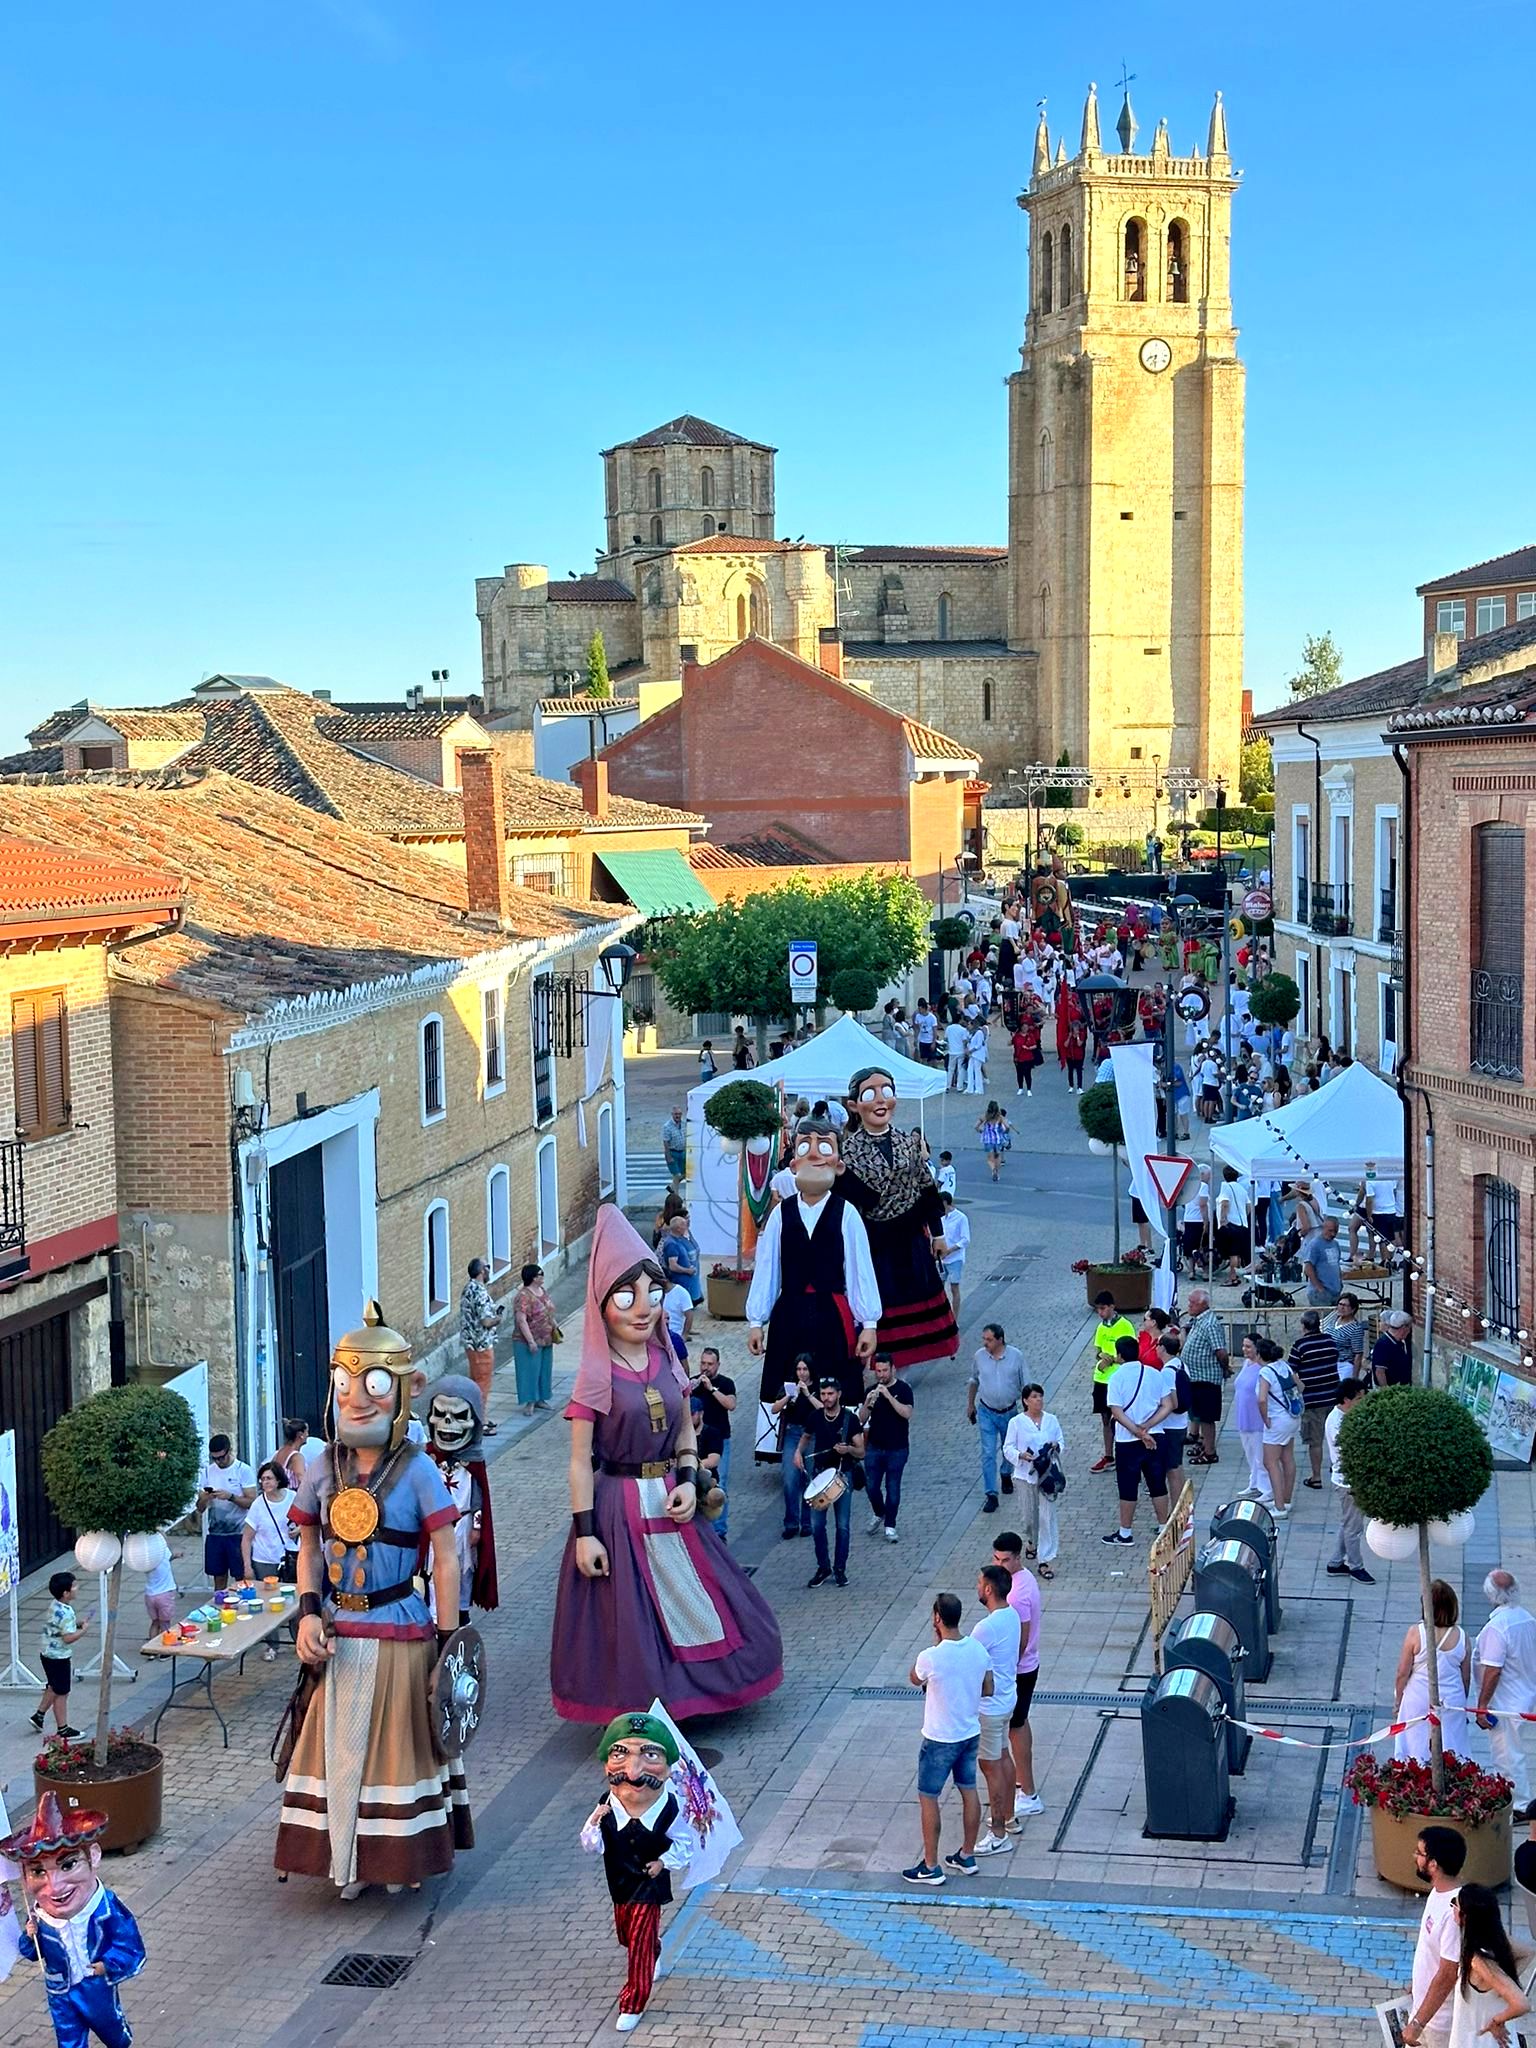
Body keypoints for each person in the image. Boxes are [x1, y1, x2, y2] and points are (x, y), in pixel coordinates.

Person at [551, 1206, 782, 1721]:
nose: (642, 1309)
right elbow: (577, 1463)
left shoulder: (663, 1360)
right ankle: (648, 1705)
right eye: (626, 1296)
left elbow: (683, 1427)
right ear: (602, 1301)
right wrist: (585, 1532)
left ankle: (704, 1690)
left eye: (651, 1295)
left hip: (670, 1503)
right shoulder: (596, 1375)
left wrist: (686, 1476)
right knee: (633, 1614)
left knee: (698, 1592)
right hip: (617, 1509)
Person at [274, 1302, 473, 1895]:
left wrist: (448, 1638)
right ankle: (344, 1856)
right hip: (336, 1633)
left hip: (400, 1631)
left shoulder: (418, 1470)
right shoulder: (320, 1465)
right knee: (334, 1751)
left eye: (374, 1384)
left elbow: (446, 1555)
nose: (357, 1398)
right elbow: (307, 1546)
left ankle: (393, 1860)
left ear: (402, 1392)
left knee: (396, 1753)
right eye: (345, 1383)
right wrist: (308, 1613)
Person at [746, 1111, 881, 1414]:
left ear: (839, 1163)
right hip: (789, 1314)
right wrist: (756, 1321)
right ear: (793, 1163)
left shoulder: (847, 1213)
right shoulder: (781, 1213)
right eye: (805, 1146)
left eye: (825, 1146)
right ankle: (786, 1447)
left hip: (832, 1317)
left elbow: (860, 1269)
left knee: (834, 1389)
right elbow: (767, 1269)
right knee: (787, 1384)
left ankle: (838, 1448)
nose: (815, 1154)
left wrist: (869, 1324)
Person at [580, 1712, 701, 2034]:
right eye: (620, 1754)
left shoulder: (672, 1809)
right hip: (619, 1885)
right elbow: (591, 1846)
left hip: (648, 1888)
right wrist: (594, 1823)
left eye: (649, 1756)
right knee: (626, 1936)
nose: (633, 1772)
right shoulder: (606, 1805)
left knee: (638, 1948)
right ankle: (653, 1949)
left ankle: (632, 2003)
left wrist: (664, 1862)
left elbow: (686, 1844)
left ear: (667, 1766)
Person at [3, 1792, 146, 2048]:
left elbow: (130, 1946)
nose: (54, 1887)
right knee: (69, 2041)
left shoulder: (106, 1909)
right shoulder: (39, 1915)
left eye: (68, 1865)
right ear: (25, 1876)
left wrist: (106, 1966)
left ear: (93, 1856)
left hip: (95, 1988)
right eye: (38, 1871)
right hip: (60, 1991)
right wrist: (29, 1934)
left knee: (115, 2035)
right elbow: (32, 1952)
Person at [839, 1066, 958, 1370]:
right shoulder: (848, 1152)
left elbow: (926, 1188)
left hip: (910, 1237)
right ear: (854, 1105)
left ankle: (906, 1361)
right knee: (882, 1298)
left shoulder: (908, 1142)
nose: (880, 1100)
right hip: (875, 1240)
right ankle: (880, 1361)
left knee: (915, 1291)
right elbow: (851, 1203)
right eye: (870, 1093)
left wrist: (939, 1232)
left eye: (887, 1092)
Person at [904, 1592, 993, 1886]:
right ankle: (967, 1854)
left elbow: (915, 1678)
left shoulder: (931, 1657)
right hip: (969, 1732)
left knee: (929, 1797)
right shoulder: (978, 1650)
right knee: (969, 1790)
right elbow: (988, 1688)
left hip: (939, 1738)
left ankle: (931, 1865)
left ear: (937, 1619)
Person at [422, 1374, 500, 1621]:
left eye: (458, 1416)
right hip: (435, 1527)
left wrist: (477, 1528)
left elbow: (478, 1498)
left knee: (464, 1568)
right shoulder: (427, 1459)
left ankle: (460, 1611)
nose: (447, 1423)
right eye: (441, 1414)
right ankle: (434, 1614)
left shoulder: (473, 1462)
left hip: (462, 1525)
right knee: (433, 1570)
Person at [991, 1532, 1045, 1819]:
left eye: (1006, 1560)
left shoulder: (1018, 1594)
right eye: (996, 1559)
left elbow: (1020, 1640)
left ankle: (1028, 1793)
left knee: (1016, 1728)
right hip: (1025, 1667)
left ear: (1018, 1557)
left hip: (1020, 1669)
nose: (1000, 1565)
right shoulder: (1019, 1581)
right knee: (1019, 1726)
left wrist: (1006, 1671)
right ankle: (1025, 1785)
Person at [1474, 1570, 1536, 1815]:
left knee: (1507, 1755)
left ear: (1491, 1595)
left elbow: (1493, 1671)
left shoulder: (1497, 1628)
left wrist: (1482, 1706)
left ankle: (1519, 1805)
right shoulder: (1527, 1619)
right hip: (1525, 1694)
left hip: (1505, 1702)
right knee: (1514, 1752)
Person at [971, 1565, 1023, 1856]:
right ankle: (1010, 1817)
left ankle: (998, 1832)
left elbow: (970, 1661)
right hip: (1007, 1700)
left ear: (989, 1589)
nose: (977, 1587)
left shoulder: (985, 1627)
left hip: (990, 1708)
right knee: (1003, 1758)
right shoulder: (1012, 1615)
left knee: (990, 1767)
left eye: (979, 1583)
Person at [1400, 1825, 1467, 2048]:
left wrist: (1418, 2023)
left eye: (1419, 1853)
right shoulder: (1437, 1892)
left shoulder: (1453, 1912)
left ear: (1433, 1864)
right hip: (1423, 2009)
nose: (1414, 1857)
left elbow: (1449, 1972)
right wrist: (1418, 1983)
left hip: (1437, 2024)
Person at [1103, 1334, 1173, 1544]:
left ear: (1119, 1355)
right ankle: (1163, 1528)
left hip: (1127, 1441)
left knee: (1127, 1486)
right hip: (1156, 1436)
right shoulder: (1154, 1374)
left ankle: (1125, 1532)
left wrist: (1137, 1431)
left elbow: (1116, 1411)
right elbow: (1168, 1405)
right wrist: (1148, 1428)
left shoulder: (1116, 1377)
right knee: (1158, 1483)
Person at [796, 1375, 865, 1589]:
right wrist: (798, 1453)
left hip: (843, 1477)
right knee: (817, 1526)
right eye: (823, 1394)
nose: (826, 1398)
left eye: (830, 1394)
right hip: (820, 1475)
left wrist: (849, 1450)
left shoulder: (849, 1419)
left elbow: (861, 1451)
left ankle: (840, 1569)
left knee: (842, 1526)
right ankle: (823, 1567)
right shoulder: (815, 1417)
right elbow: (806, 1436)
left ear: (839, 1394)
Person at [1395, 1581, 1472, 1765]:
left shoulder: (1415, 1633)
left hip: (1418, 1698)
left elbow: (1402, 1673)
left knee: (1414, 1747)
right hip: (1452, 1700)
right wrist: (1463, 1701)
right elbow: (1466, 1677)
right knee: (1453, 1748)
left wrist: (1398, 1701)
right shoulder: (1462, 1636)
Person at [1448, 1883, 1531, 2048]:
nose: (1452, 1908)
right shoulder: (1497, 1942)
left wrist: (1496, 2021)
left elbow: (1522, 2004)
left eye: (1454, 1904)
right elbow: (1528, 1953)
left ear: (1465, 1917)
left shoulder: (1479, 1962)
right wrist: (1503, 1985)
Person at [1002, 1385, 1062, 1579]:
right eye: (1034, 1397)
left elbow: (1061, 1441)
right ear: (1026, 1400)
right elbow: (1007, 1447)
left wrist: (1056, 1446)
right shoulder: (1016, 1422)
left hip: (1046, 1477)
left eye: (1040, 1396)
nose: (1039, 1400)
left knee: (1047, 1517)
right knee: (1029, 1517)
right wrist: (1021, 1455)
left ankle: (1045, 1559)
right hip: (1024, 1476)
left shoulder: (1051, 1420)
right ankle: (1031, 1540)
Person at [967, 1324, 1028, 1514]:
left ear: (1000, 1339)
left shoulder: (1016, 1356)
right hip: (986, 1411)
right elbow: (974, 1380)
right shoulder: (979, 1357)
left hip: (1010, 1411)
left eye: (989, 1339)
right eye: (984, 1339)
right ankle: (991, 1494)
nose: (985, 1343)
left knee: (1008, 1447)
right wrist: (970, 1404)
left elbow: (1026, 1383)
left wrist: (1028, 1412)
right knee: (988, 1452)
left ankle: (1005, 1473)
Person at [859, 1351, 914, 1544]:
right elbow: (862, 1418)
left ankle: (890, 1525)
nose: (881, 1375)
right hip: (874, 1446)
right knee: (871, 1486)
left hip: (897, 1448)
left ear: (893, 1369)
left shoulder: (903, 1389)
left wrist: (889, 1397)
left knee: (893, 1488)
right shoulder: (871, 1390)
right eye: (878, 1371)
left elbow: (907, 1413)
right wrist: (867, 1403)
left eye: (884, 1370)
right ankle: (879, 1512)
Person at [1323, 1378, 1374, 1584]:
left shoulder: (1348, 1417)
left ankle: (1335, 1562)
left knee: (1348, 1523)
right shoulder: (1337, 1423)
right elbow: (1350, 1453)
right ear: (1346, 1400)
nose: (1363, 1402)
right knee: (1354, 1528)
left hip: (1350, 1480)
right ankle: (1355, 1566)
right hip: (1348, 1482)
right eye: (1359, 1398)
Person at [1288, 1309, 1343, 1489]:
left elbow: (1292, 1372)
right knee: (1336, 1436)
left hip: (1312, 1399)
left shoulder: (1299, 1346)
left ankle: (1316, 1476)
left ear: (1304, 1326)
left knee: (1315, 1441)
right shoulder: (1330, 1341)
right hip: (1333, 1396)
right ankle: (1337, 1468)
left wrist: (1299, 1388)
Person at [196, 1433, 257, 1589]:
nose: (219, 1462)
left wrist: (231, 1497)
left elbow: (252, 1502)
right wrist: (205, 1498)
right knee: (218, 1577)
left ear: (229, 1451)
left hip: (238, 1534)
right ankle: (219, 1605)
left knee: (241, 1578)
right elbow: (200, 1508)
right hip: (215, 1534)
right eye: (214, 1458)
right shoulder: (208, 1472)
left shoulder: (243, 1470)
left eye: (221, 1457)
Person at [29, 1571, 84, 1740]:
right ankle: (63, 1728)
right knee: (62, 1692)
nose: (77, 1587)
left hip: (46, 1653)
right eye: (74, 1586)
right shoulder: (66, 1613)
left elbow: (58, 1625)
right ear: (66, 1593)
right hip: (59, 1657)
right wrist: (83, 1630)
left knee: (53, 1685)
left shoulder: (55, 1605)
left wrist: (75, 1624)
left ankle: (38, 1716)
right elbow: (68, 1638)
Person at [240, 1461, 298, 1617]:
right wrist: (247, 1566)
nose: (265, 1482)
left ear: (278, 1480)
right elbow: (246, 1538)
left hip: (290, 1557)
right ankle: (272, 1640)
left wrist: (299, 1529)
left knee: (295, 1601)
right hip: (265, 1560)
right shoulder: (258, 1505)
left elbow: (310, 1521)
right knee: (267, 1603)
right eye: (263, 1479)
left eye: (269, 1478)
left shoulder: (293, 1497)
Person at [1180, 1286, 1229, 1466]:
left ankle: (1210, 1452)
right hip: (1195, 1377)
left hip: (1206, 1377)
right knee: (1199, 1414)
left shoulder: (1210, 1324)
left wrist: (1225, 1368)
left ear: (1202, 1304)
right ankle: (1203, 1444)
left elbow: (1221, 1351)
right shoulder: (1198, 1320)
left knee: (1207, 1417)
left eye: (1192, 1303)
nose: (1189, 1306)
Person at [691, 1347, 736, 1540]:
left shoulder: (725, 1383)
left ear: (717, 1365)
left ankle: (719, 1531)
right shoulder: (694, 1382)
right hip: (698, 1439)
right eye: (703, 1363)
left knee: (720, 1484)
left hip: (720, 1439)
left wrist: (712, 1389)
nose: (705, 1368)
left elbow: (731, 1405)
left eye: (710, 1364)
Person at [1089, 1292, 1137, 1474]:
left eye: (1103, 1308)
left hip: (1119, 1379)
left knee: (1121, 1418)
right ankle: (1109, 1456)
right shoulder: (1101, 1327)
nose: (1100, 1313)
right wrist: (1102, 1356)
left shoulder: (1125, 1326)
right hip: (1101, 1379)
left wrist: (1113, 1360)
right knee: (1105, 1418)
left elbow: (1132, 1353)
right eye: (1098, 1309)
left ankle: (1126, 1454)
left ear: (1112, 1307)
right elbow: (1098, 1350)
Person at [773, 1355, 819, 1540]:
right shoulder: (789, 1386)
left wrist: (808, 1394)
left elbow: (824, 1409)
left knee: (809, 1479)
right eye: (799, 1369)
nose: (801, 1373)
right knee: (790, 1479)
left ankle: (807, 1522)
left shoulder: (817, 1387)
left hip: (812, 1435)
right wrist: (789, 1396)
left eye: (805, 1369)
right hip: (793, 1433)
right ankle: (791, 1521)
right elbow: (774, 1408)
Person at [1255, 1336, 1302, 1516]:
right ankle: (1286, 1500)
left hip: (1276, 1420)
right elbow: (1300, 1386)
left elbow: (1261, 1399)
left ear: (1260, 1355)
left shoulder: (1265, 1373)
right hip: (1291, 1417)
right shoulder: (1284, 1366)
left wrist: (1265, 1418)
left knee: (1271, 1462)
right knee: (1287, 1458)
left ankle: (1279, 1506)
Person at [459, 1257, 504, 1434]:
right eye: (488, 1267)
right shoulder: (480, 1292)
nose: (489, 1270)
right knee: (482, 1384)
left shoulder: (468, 1288)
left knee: (475, 1382)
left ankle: (477, 1418)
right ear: (481, 1271)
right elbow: (485, 1321)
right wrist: (498, 1319)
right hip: (481, 1344)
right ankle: (480, 1422)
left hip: (471, 1343)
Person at [1232, 1334, 1275, 1505]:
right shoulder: (1246, 1364)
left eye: (1248, 1346)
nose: (1244, 1350)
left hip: (1257, 1418)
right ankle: (1254, 1483)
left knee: (1260, 1455)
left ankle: (1267, 1489)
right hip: (1244, 1416)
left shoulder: (1263, 1368)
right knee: (1250, 1454)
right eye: (1244, 1346)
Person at [512, 1261, 558, 1414]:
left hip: (546, 1338)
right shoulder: (523, 1296)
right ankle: (529, 1402)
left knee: (544, 1370)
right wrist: (530, 1341)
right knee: (529, 1370)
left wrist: (554, 1325)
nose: (542, 1277)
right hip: (528, 1340)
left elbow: (548, 1310)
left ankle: (541, 1399)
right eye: (540, 1274)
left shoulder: (542, 1290)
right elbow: (521, 1320)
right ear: (532, 1277)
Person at [1214, 1167, 1251, 1284]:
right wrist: (1244, 1215)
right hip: (1243, 1224)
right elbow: (1249, 1206)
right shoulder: (1242, 1188)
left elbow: (1225, 1203)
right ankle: (1235, 1274)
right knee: (1238, 1252)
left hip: (1231, 1224)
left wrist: (1223, 1219)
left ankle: (1232, 1277)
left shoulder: (1225, 1186)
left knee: (1232, 1253)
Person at [936, 1193, 970, 1321]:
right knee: (939, 1288)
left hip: (955, 1259)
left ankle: (955, 1319)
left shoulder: (961, 1218)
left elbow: (965, 1240)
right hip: (941, 1259)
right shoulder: (940, 1217)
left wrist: (949, 1251)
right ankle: (942, 1316)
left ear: (945, 1202)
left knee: (954, 1287)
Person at [658, 1211, 704, 1307]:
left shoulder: (682, 1238)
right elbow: (673, 1266)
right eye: (684, 1225)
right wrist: (688, 1271)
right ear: (678, 1229)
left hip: (689, 1283)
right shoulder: (671, 1244)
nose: (686, 1226)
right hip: (681, 1282)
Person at [1301, 1214, 1344, 1307]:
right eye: (1330, 1231)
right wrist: (1319, 1287)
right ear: (1323, 1228)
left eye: (1335, 1231)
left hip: (1335, 1290)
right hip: (1320, 1292)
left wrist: (1340, 1281)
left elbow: (1337, 1264)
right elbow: (1308, 1268)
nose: (1333, 1234)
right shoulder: (1315, 1244)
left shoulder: (1335, 1244)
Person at [1179, 1165, 1211, 1274]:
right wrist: (1206, 1221)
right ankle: (1206, 1272)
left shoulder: (1189, 1185)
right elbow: (1203, 1205)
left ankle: (1191, 1271)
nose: (1209, 1178)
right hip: (1199, 1219)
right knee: (1203, 1246)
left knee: (1190, 1245)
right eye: (1208, 1175)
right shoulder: (1203, 1186)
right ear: (1201, 1174)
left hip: (1188, 1218)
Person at [1329, 1293, 1367, 1381]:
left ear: (1353, 1309)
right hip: (1330, 1364)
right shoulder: (1333, 1319)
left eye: (1345, 1306)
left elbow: (1358, 1354)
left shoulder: (1355, 1328)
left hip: (1344, 1365)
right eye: (1340, 1304)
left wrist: (1355, 1376)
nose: (1342, 1308)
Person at [1374, 1309, 1416, 1387]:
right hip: (1391, 1388)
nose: (1409, 1331)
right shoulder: (1383, 1344)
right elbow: (1380, 1371)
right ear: (1403, 1328)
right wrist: (1386, 1392)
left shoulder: (1401, 1342)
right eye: (1409, 1328)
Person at [976, 1100, 1011, 1182]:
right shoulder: (1000, 1117)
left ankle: (993, 1170)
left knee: (990, 1158)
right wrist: (1004, 1132)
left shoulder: (985, 1116)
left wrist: (981, 1131)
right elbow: (1007, 1127)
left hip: (988, 1139)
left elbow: (976, 1126)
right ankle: (997, 1172)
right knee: (997, 1156)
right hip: (998, 1139)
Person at [1011, 1013, 1043, 1097]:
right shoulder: (1017, 1036)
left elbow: (1035, 1045)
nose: (1025, 1028)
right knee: (1019, 1074)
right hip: (1018, 1057)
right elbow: (1010, 1043)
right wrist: (1012, 1036)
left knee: (1027, 1074)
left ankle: (1029, 1089)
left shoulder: (1030, 1036)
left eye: (1026, 1027)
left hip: (1028, 1057)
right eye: (1024, 1027)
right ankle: (1020, 1088)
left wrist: (1029, 1048)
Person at [276, 1416, 311, 1490]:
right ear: (300, 1434)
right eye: (306, 1431)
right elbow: (301, 1477)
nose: (308, 1435)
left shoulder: (281, 1451)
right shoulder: (296, 1457)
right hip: (294, 1495)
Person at [659, 1105, 687, 1186]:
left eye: (679, 1114)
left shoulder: (684, 1124)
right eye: (676, 1114)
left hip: (682, 1152)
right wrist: (668, 1156)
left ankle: (671, 1187)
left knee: (684, 1174)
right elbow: (666, 1142)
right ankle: (676, 1196)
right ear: (672, 1114)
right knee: (676, 1175)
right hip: (673, 1152)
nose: (678, 1116)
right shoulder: (667, 1126)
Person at [944, 1015, 969, 1091]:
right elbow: (964, 1041)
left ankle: (948, 1085)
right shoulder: (963, 1030)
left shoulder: (949, 1028)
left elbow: (946, 1038)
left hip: (951, 1051)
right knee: (960, 1069)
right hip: (960, 1051)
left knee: (950, 1069)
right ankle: (959, 1086)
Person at [964, 1021, 989, 1095]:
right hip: (972, 1055)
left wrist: (970, 1051)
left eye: (969, 1024)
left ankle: (979, 1089)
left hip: (977, 1055)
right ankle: (970, 1088)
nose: (968, 1026)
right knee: (970, 1070)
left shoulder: (979, 1033)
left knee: (977, 1071)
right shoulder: (972, 1033)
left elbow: (979, 1045)